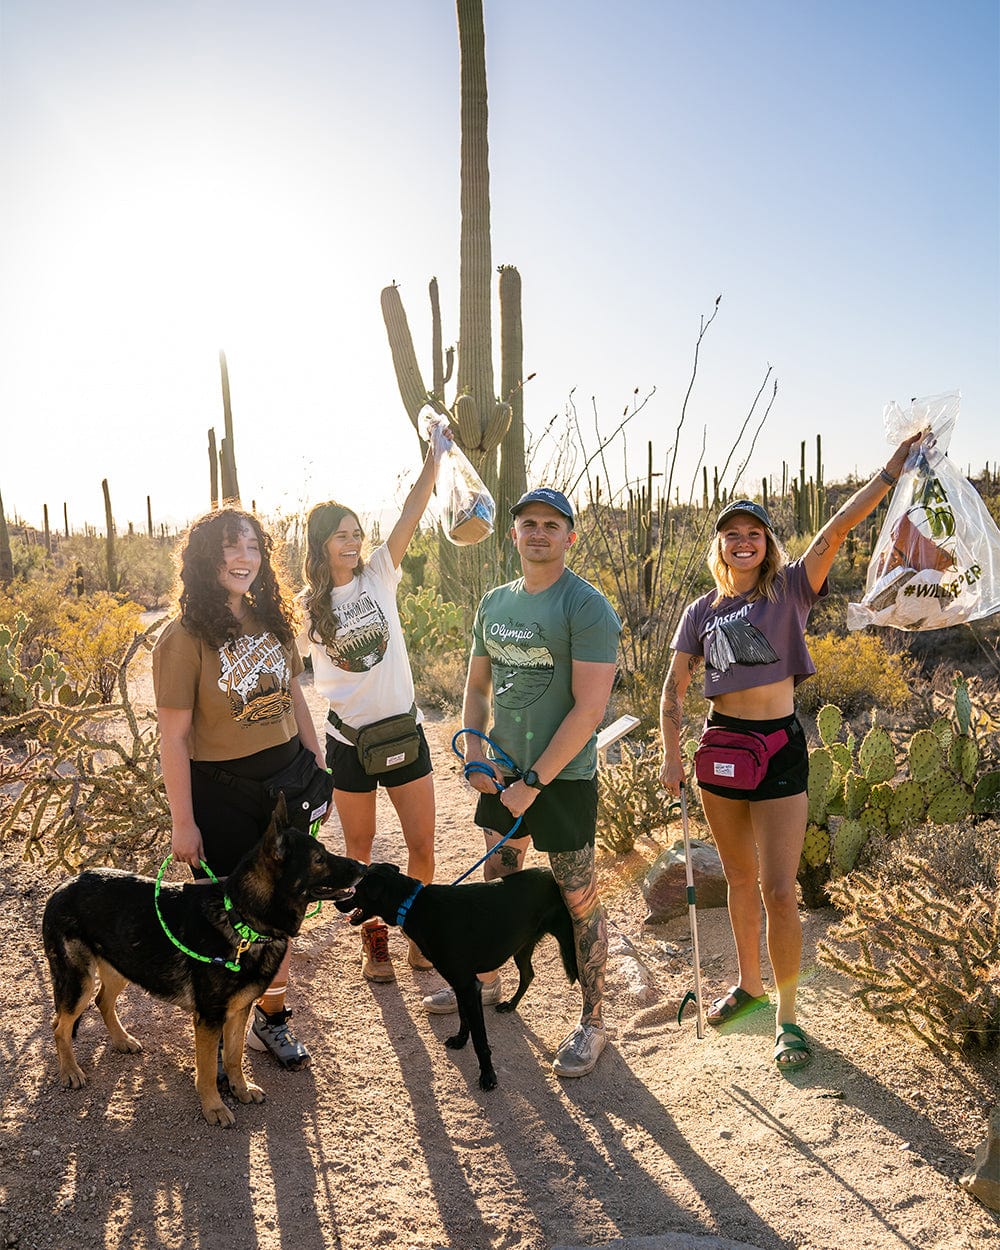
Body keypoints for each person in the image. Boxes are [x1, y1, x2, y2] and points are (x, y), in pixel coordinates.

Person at [659, 435, 922, 1071]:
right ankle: (747, 987)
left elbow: (834, 530)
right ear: (720, 545)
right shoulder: (700, 610)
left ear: (768, 543)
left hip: (779, 749)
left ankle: (787, 1015)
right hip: (720, 750)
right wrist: (671, 755)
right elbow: (674, 686)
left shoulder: (790, 591)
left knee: (779, 889)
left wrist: (891, 470)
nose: (742, 540)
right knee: (738, 882)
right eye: (731, 533)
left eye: (754, 532)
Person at [423, 487, 622, 1079]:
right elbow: (478, 688)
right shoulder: (495, 604)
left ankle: (594, 1022)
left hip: (561, 777)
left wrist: (533, 782)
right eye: (528, 523)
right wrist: (476, 753)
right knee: (499, 877)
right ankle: (487, 981)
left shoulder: (586, 607)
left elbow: (589, 709)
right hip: (503, 774)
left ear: (569, 537)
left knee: (576, 896)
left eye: (551, 525)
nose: (538, 532)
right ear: (512, 534)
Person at [153, 507, 327, 1070]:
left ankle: (269, 1021)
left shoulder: (269, 620)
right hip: (222, 794)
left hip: (287, 785)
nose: (243, 558)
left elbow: (295, 694)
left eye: (252, 546)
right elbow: (174, 739)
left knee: (285, 909)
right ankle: (224, 1030)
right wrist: (184, 821)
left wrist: (315, 760)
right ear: (206, 558)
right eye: (231, 547)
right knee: (233, 922)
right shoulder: (181, 640)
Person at [301, 431, 448, 983]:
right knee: (358, 852)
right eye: (341, 536)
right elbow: (281, 666)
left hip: (403, 733)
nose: (354, 542)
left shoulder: (379, 575)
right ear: (320, 544)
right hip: (348, 744)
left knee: (423, 847)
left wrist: (434, 459)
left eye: (357, 533)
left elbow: (411, 513)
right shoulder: (307, 608)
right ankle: (375, 942)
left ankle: (420, 933)